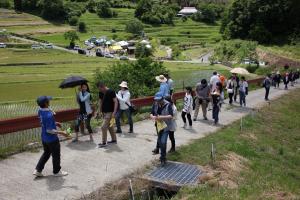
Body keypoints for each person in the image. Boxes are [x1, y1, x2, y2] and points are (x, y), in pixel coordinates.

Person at [33, 96, 69, 177]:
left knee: (46, 153)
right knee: (56, 155)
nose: (49, 101)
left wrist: (55, 123)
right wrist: (62, 132)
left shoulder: (40, 111)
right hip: (52, 139)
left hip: (44, 138)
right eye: (48, 101)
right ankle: (57, 171)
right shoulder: (49, 114)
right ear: (46, 103)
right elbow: (49, 130)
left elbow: (44, 122)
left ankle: (38, 170)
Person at [150, 92, 175, 166]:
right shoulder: (155, 104)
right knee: (160, 141)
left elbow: (171, 116)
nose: (157, 101)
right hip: (158, 126)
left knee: (163, 142)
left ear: (162, 98)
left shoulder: (168, 104)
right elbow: (151, 113)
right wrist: (152, 116)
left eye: (159, 100)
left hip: (166, 126)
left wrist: (161, 117)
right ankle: (162, 157)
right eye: (156, 100)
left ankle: (163, 157)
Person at [97, 82, 118, 148]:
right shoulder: (100, 92)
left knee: (103, 127)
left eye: (100, 89)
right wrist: (99, 111)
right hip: (104, 112)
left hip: (110, 112)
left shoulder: (111, 91)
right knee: (110, 126)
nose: (100, 91)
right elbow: (100, 102)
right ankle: (114, 140)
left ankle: (103, 142)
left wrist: (114, 112)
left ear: (103, 86)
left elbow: (115, 102)